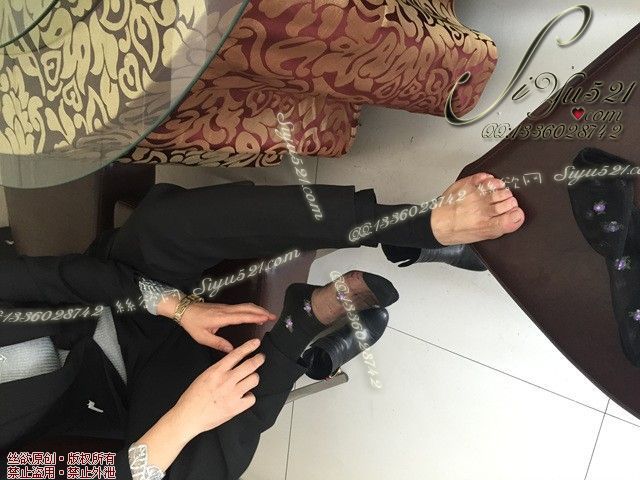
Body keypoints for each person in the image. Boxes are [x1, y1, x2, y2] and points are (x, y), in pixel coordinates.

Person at [1, 171, 524, 479]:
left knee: (168, 225)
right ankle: (297, 330)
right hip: (129, 391)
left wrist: (177, 308)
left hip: (121, 294)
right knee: (187, 473)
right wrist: (185, 419)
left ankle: (411, 226)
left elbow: (62, 276)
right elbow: (80, 472)